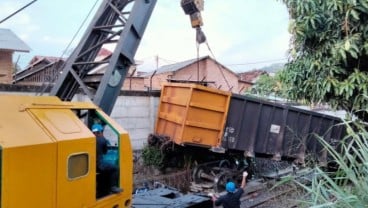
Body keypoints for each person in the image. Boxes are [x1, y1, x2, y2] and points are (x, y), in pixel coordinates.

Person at [92, 123, 122, 194]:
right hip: (98, 165)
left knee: (104, 172)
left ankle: (102, 190)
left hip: (91, 165)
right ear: (100, 132)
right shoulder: (102, 139)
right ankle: (113, 187)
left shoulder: (88, 139)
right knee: (115, 168)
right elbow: (105, 152)